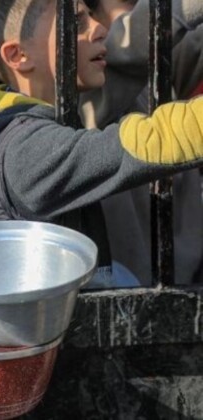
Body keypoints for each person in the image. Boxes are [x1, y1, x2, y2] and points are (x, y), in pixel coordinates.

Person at [0, 0, 203, 287]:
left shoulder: (34, 120)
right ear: (18, 55)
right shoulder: (24, 150)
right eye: (77, 23)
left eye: (91, 15)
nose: (100, 28)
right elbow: (142, 144)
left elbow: (132, 45)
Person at [80, 0, 203, 285]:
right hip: (132, 295)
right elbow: (131, 44)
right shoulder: (81, 91)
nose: (141, 9)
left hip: (186, 281)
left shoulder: (154, 75)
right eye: (129, 5)